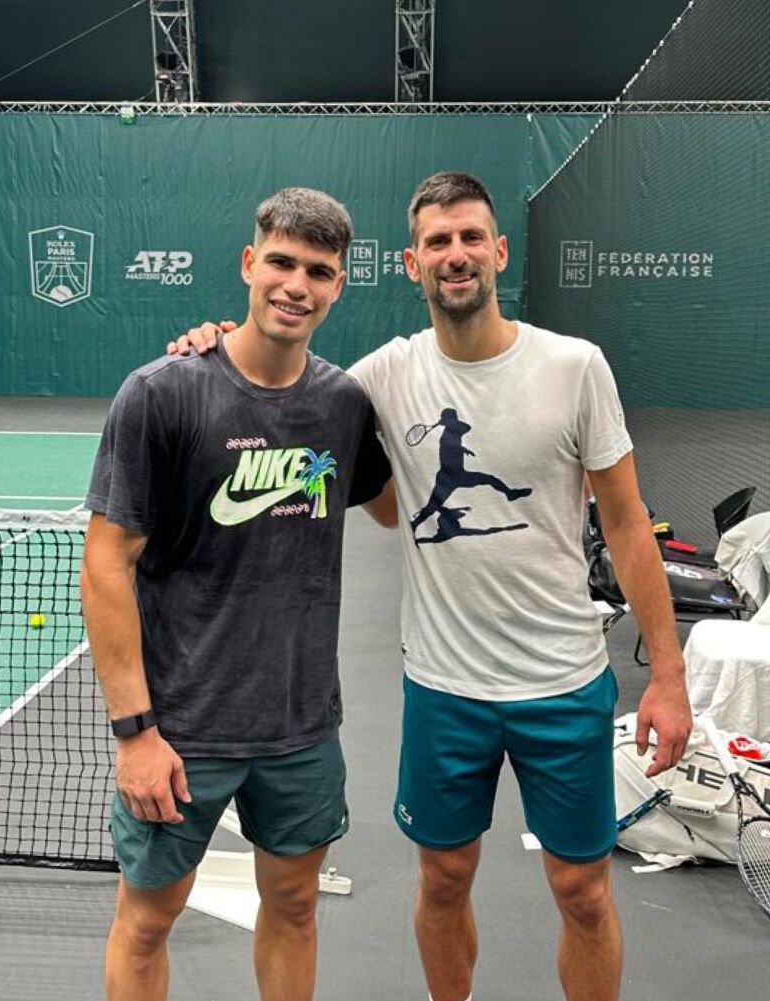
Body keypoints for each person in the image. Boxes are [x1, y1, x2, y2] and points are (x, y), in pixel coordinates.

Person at [169, 171, 692, 1001]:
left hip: (565, 682)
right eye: (438, 243)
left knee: (584, 892)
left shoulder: (576, 367)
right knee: (443, 881)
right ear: (411, 263)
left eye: (471, 237)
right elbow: (276, 381)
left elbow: (627, 525)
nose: (457, 255)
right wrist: (211, 347)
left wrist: (667, 676)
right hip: (445, 689)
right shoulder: (376, 379)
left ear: (499, 251)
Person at [81, 187, 393, 1001]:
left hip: (300, 726)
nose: (296, 284)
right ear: (250, 265)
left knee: (293, 910)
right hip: (182, 728)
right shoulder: (163, 392)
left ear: (339, 286)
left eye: (317, 271)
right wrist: (135, 732)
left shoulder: (345, 405)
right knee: (147, 922)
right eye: (282, 262)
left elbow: (394, 504)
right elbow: (106, 563)